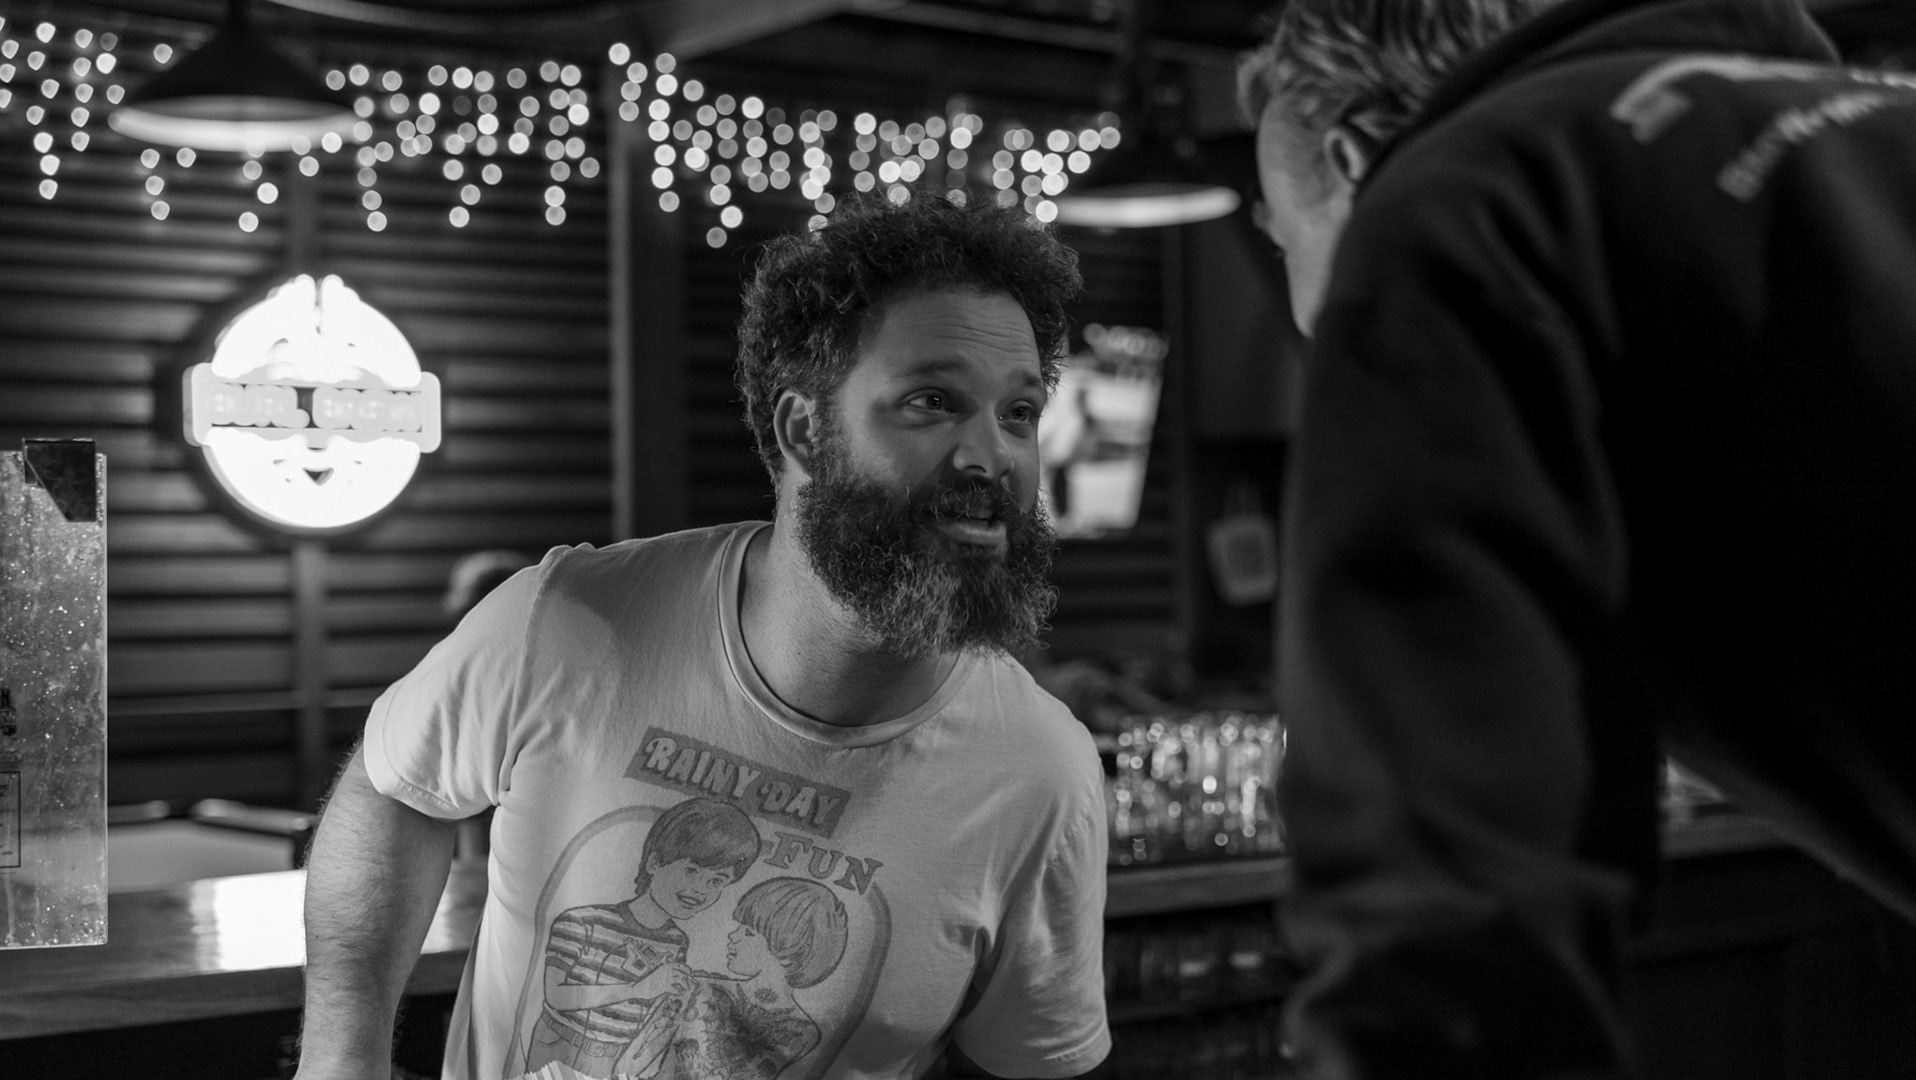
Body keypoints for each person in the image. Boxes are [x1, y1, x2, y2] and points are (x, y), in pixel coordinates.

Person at [1238, 0, 1916, 1077]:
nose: (1307, 315)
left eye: (1281, 238)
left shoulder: (1467, 199)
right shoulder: (1871, 119)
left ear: (1355, 159)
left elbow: (1452, 898)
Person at [295, 194, 1111, 1080]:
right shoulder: (565, 624)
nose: (993, 457)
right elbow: (395, 791)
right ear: (804, 430)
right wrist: (340, 1061)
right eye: (932, 402)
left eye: (1019, 412)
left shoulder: (1039, 773)